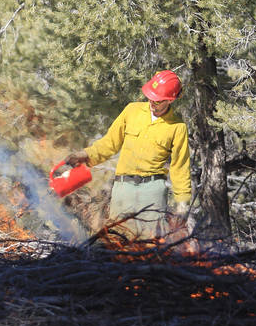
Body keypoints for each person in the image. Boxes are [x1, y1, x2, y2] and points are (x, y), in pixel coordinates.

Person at [66, 69, 191, 239]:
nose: (152, 102)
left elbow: (180, 167)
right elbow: (109, 143)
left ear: (170, 100)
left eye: (158, 100)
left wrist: (182, 203)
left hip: (152, 190)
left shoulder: (177, 127)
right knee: (118, 238)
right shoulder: (132, 111)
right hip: (123, 187)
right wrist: (85, 154)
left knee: (149, 242)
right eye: (150, 97)